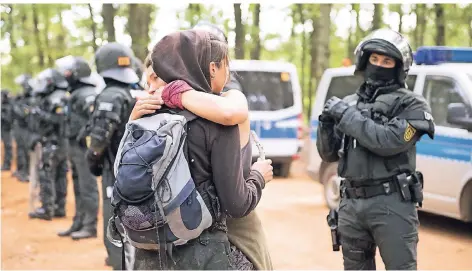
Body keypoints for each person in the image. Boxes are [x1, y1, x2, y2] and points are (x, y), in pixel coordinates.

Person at [127, 29, 273, 270]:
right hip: (207, 251)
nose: (151, 86)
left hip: (151, 251)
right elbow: (235, 205)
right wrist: (258, 175)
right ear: (212, 68)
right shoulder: (220, 118)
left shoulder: (144, 118)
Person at [316, 28, 435, 270]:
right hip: (351, 205)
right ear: (365, 60)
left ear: (398, 66)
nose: (379, 65)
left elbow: (388, 141)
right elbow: (328, 154)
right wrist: (326, 123)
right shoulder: (350, 103)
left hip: (392, 204)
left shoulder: (411, 103)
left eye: (387, 60)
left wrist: (346, 116)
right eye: (374, 59)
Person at [84, 42, 140, 270]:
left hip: (114, 171)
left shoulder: (110, 96)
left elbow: (99, 139)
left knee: (114, 228)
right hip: (134, 170)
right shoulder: (132, 93)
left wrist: (93, 161)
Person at [55, 55, 99, 240]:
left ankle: (90, 226)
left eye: (68, 71)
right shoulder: (74, 93)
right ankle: (79, 221)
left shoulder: (87, 93)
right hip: (73, 145)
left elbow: (93, 119)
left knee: (87, 185)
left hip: (83, 146)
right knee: (78, 184)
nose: (65, 74)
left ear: (77, 73)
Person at [28, 68, 70, 220]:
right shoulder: (60, 96)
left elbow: (58, 120)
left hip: (54, 142)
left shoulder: (56, 98)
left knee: (47, 174)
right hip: (61, 143)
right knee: (60, 176)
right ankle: (59, 207)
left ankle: (47, 208)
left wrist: (38, 113)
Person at [11, 74, 33, 182]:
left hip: (26, 128)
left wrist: (16, 108)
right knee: (20, 149)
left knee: (25, 150)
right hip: (20, 127)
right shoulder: (22, 98)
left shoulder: (31, 98)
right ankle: (21, 170)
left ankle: (26, 172)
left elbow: (24, 114)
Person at [1, 89, 13, 171]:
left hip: (8, 129)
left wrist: (3, 115)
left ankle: (7, 164)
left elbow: (8, 119)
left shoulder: (9, 106)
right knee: (6, 146)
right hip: (4, 129)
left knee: (8, 146)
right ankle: (6, 163)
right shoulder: (4, 105)